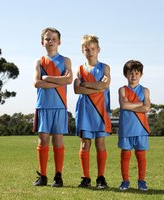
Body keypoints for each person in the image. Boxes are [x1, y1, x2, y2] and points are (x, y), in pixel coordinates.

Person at [32, 27, 73, 187]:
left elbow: (68, 81)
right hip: (43, 106)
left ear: (59, 41)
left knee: (58, 141)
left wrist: (47, 78)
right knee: (43, 141)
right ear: (42, 42)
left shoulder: (66, 61)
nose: (51, 41)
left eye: (54, 39)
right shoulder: (39, 61)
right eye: (47, 39)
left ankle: (58, 176)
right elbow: (37, 83)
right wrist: (59, 80)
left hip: (60, 106)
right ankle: (42, 176)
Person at [74, 34, 112, 189]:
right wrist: (95, 86)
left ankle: (101, 178)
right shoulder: (80, 69)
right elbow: (77, 89)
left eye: (92, 49)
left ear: (98, 50)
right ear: (82, 51)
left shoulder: (105, 67)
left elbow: (104, 86)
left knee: (100, 143)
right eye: (86, 49)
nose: (90, 52)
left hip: (100, 110)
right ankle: (85, 178)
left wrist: (86, 86)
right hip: (84, 110)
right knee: (85, 144)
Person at [118, 60, 151, 191]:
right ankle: (125, 181)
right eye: (131, 73)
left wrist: (131, 105)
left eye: (137, 73)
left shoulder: (145, 90)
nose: (134, 76)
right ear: (126, 74)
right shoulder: (122, 90)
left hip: (141, 128)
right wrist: (139, 104)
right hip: (126, 128)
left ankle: (142, 181)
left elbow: (147, 108)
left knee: (141, 156)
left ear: (141, 74)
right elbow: (123, 105)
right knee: (125, 155)